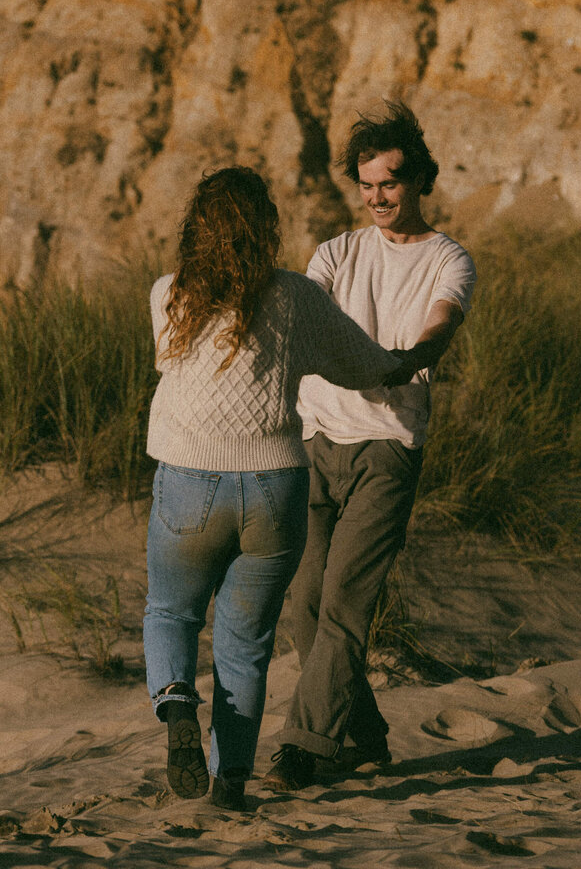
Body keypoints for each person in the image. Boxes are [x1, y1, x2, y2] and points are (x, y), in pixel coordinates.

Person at [144, 166, 406, 811]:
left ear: (195, 230)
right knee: (246, 646)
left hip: (187, 484)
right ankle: (229, 784)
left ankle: (176, 702)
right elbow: (365, 366)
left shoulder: (168, 294)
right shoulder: (295, 298)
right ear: (266, 229)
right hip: (276, 488)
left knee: (171, 611)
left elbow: (175, 366)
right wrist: (418, 355)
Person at [264, 101, 477, 791]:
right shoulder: (334, 252)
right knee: (306, 606)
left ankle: (307, 745)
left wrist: (411, 357)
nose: (377, 198)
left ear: (418, 180)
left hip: (388, 443)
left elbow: (442, 322)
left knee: (346, 604)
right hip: (316, 437)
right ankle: (364, 735)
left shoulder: (449, 257)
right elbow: (305, 317)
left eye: (389, 182)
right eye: (366, 185)